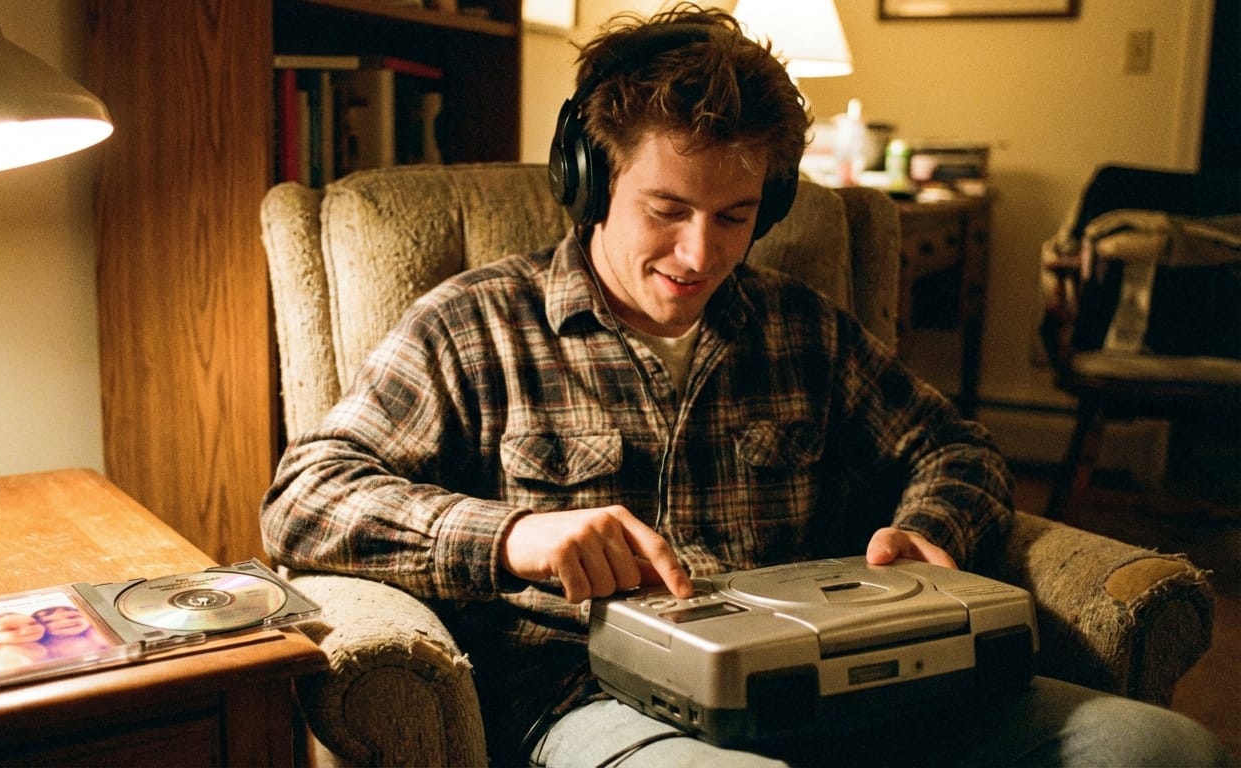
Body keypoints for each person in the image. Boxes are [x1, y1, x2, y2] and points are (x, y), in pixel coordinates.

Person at [261, 5, 1235, 766]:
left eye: (733, 215)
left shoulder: (797, 326)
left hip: (839, 690)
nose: (698, 254)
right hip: (592, 701)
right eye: (667, 209)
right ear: (593, 181)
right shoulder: (474, 326)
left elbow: (955, 446)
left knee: (1163, 748)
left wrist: (932, 530)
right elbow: (302, 503)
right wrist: (517, 535)